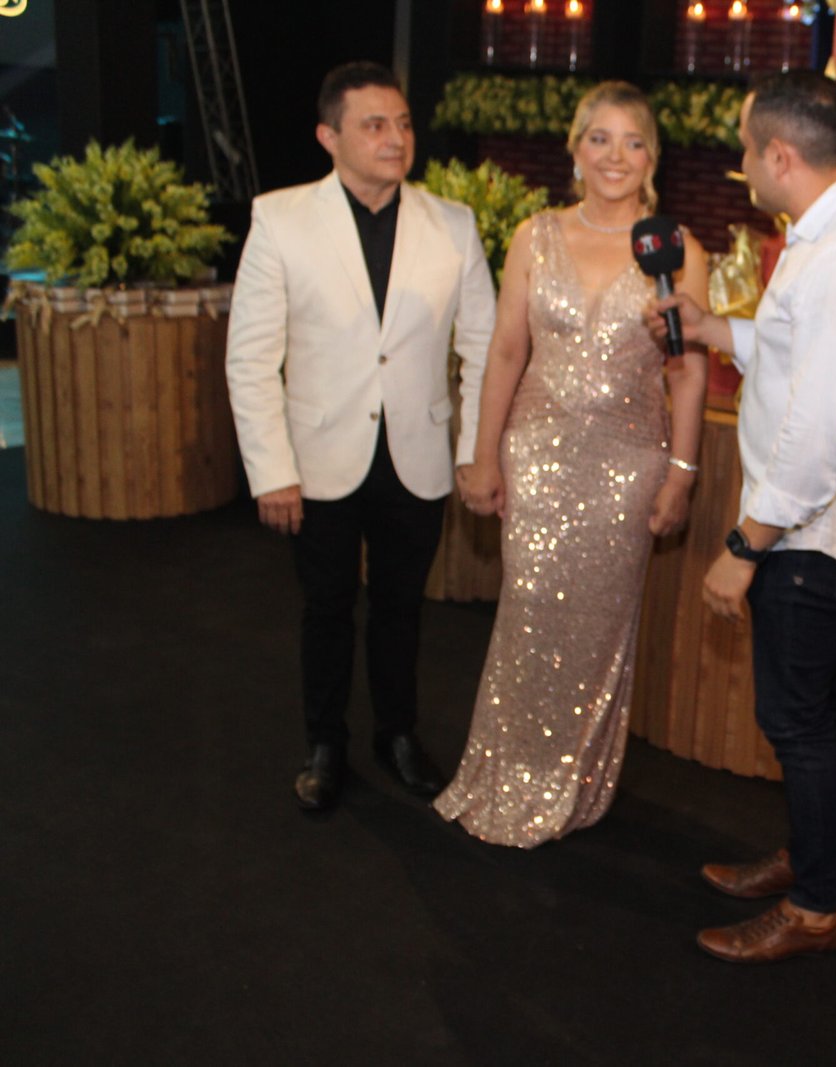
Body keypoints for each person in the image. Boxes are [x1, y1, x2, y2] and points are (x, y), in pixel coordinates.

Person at [649, 70, 836, 963]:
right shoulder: (834, 233)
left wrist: (743, 546)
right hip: (827, 533)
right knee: (822, 709)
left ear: (779, 155)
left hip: (815, 538)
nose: (740, 164)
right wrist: (714, 331)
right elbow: (795, 353)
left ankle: (813, 907)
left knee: (798, 721)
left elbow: (816, 435)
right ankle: (812, 859)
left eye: (744, 148)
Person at [432, 81, 709, 847]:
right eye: (600, 138)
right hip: (536, 455)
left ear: (652, 157)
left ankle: (571, 783)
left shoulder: (676, 249)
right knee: (526, 614)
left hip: (627, 464)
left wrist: (681, 473)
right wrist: (483, 455)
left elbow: (689, 373)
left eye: (633, 141)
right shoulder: (535, 235)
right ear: (575, 148)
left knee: (596, 627)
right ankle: (509, 772)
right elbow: (506, 350)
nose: (615, 156)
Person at [226, 62, 497, 812]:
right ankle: (324, 743)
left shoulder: (453, 223)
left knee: (402, 608)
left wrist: (473, 450)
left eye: (403, 123)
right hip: (318, 458)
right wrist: (271, 470)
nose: (395, 138)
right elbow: (250, 357)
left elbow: (483, 347)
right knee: (326, 607)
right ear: (329, 136)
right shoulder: (280, 219)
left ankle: (397, 735)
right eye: (375, 125)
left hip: (419, 452)